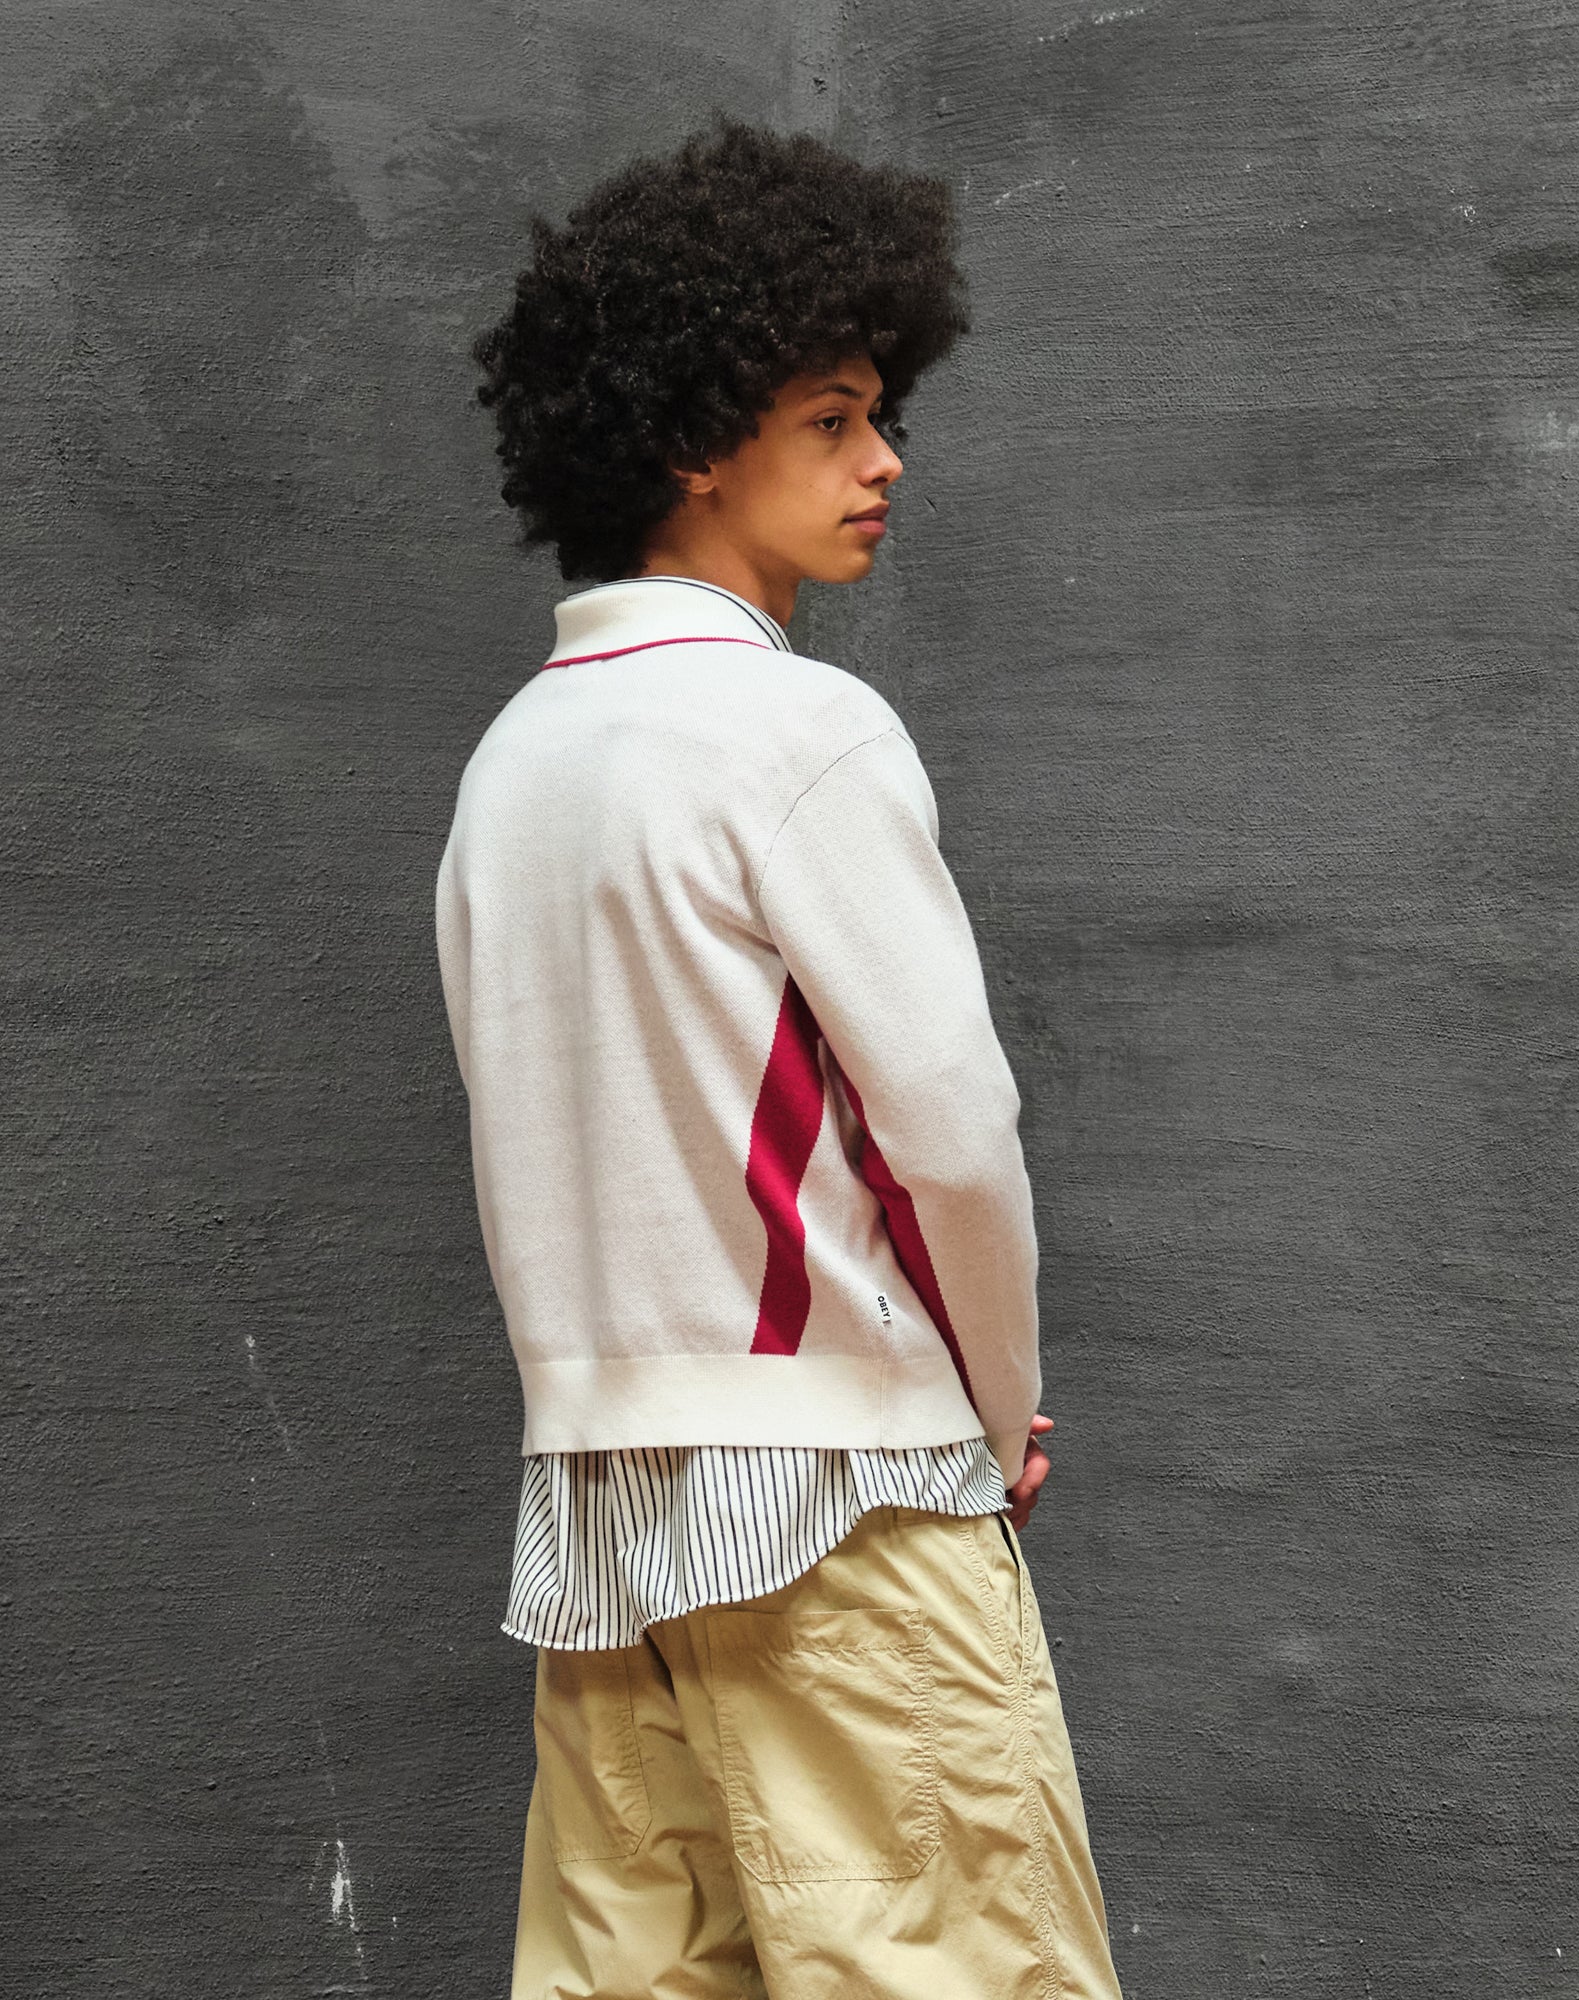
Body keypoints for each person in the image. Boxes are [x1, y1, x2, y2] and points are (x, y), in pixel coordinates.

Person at [437, 113, 1124, 1999]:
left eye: (878, 414)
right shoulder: (793, 730)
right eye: (831, 418)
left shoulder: (513, 768)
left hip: (605, 1516)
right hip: (842, 1501)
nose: (884, 460)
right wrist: (995, 1413)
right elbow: (950, 1137)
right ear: (693, 437)